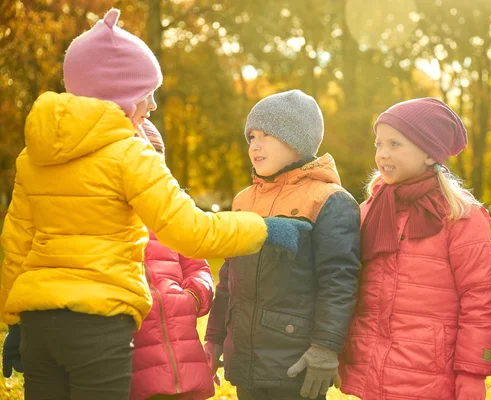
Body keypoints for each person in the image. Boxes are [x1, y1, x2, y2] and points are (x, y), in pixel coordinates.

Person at [0, 9, 309, 400]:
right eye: (146, 92)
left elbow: (16, 244)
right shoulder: (129, 153)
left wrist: (15, 323)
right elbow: (190, 231)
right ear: (119, 94)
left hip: (39, 324)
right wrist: (266, 228)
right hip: (98, 326)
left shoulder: (35, 155)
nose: (153, 105)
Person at [339, 98, 491, 400]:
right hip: (372, 367)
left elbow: (480, 299)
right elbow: (349, 287)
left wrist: (471, 371)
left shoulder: (460, 216)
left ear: (429, 153)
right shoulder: (370, 211)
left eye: (395, 144)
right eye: (379, 144)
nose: (382, 154)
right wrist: (339, 352)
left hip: (430, 373)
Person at [204, 90, 361, 400]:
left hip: (297, 363)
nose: (255, 145)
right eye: (251, 137)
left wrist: (325, 348)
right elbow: (228, 279)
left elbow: (339, 282)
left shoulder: (329, 200)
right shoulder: (243, 200)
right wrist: (215, 338)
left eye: (267, 135)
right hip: (245, 360)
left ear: (296, 141)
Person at [129, 121, 216, 400]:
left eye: (157, 155)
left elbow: (199, 267)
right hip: (137, 359)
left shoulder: (176, 213)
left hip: (184, 355)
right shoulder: (111, 216)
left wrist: (193, 295)